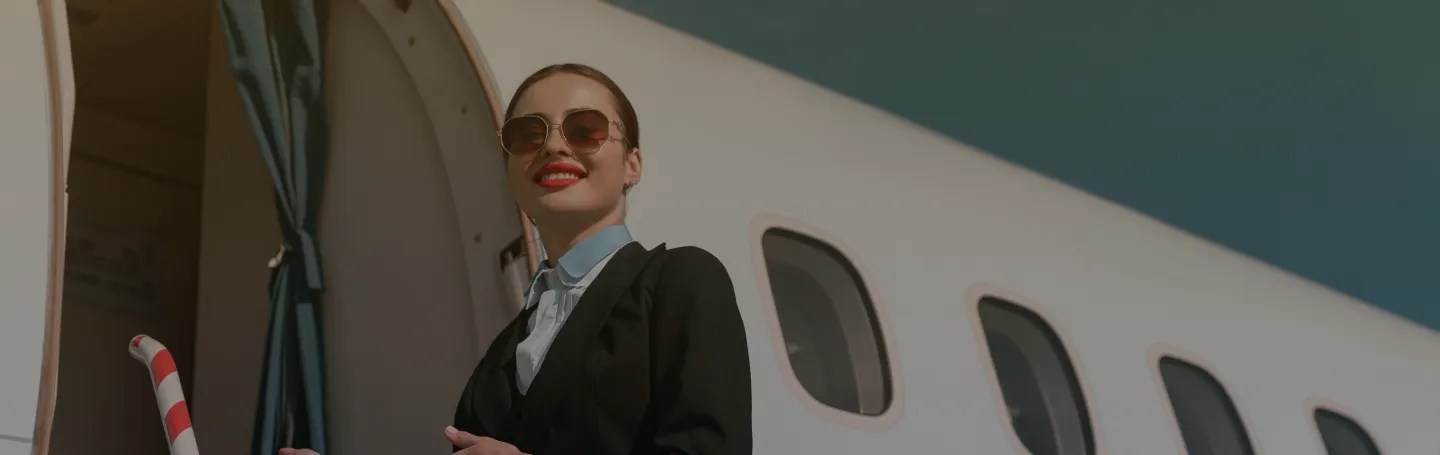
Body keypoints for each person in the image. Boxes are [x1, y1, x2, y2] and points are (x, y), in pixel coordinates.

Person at [280, 63, 752, 455]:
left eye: (584, 129)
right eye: (527, 134)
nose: (553, 145)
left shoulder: (681, 281)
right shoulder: (498, 360)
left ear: (633, 163)